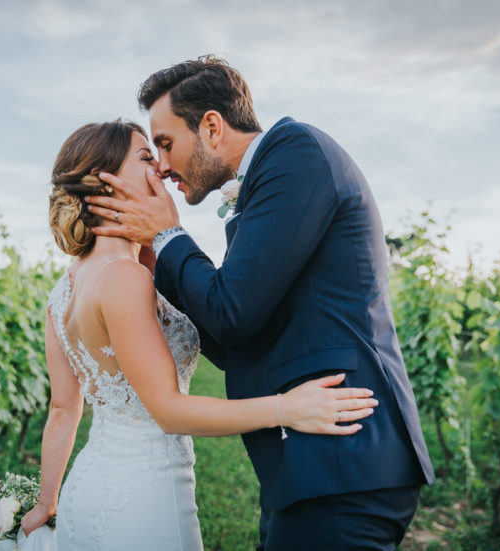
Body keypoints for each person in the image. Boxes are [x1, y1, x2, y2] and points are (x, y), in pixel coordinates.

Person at [85, 56, 436, 550]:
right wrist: (154, 266)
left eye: (165, 143)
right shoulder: (263, 186)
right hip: (309, 468)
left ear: (211, 126)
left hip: (344, 459)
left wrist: (167, 237)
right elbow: (237, 337)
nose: (161, 167)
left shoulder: (296, 154)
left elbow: (232, 312)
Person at [19, 120, 380, 550]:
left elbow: (63, 408)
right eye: (147, 158)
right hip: (143, 499)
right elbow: (170, 411)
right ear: (107, 183)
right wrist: (287, 408)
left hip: (88, 486)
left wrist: (47, 500)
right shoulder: (124, 278)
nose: (162, 168)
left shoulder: (65, 288)